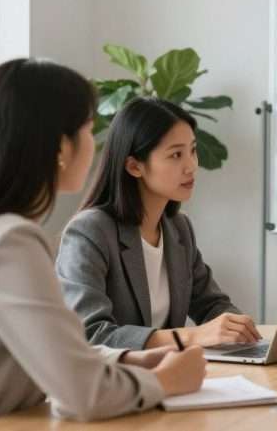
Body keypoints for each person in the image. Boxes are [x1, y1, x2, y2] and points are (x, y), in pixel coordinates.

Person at [0, 59, 206, 429]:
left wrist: (127, 360)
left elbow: (50, 348)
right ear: (59, 146)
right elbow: (82, 395)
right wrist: (167, 381)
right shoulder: (10, 241)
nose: (94, 144)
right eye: (87, 129)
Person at [57, 97, 260, 349]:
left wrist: (240, 328)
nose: (192, 166)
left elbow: (211, 305)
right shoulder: (90, 231)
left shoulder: (179, 229)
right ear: (134, 166)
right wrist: (191, 336)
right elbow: (90, 333)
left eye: (193, 150)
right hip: (117, 381)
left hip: (171, 374)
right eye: (176, 154)